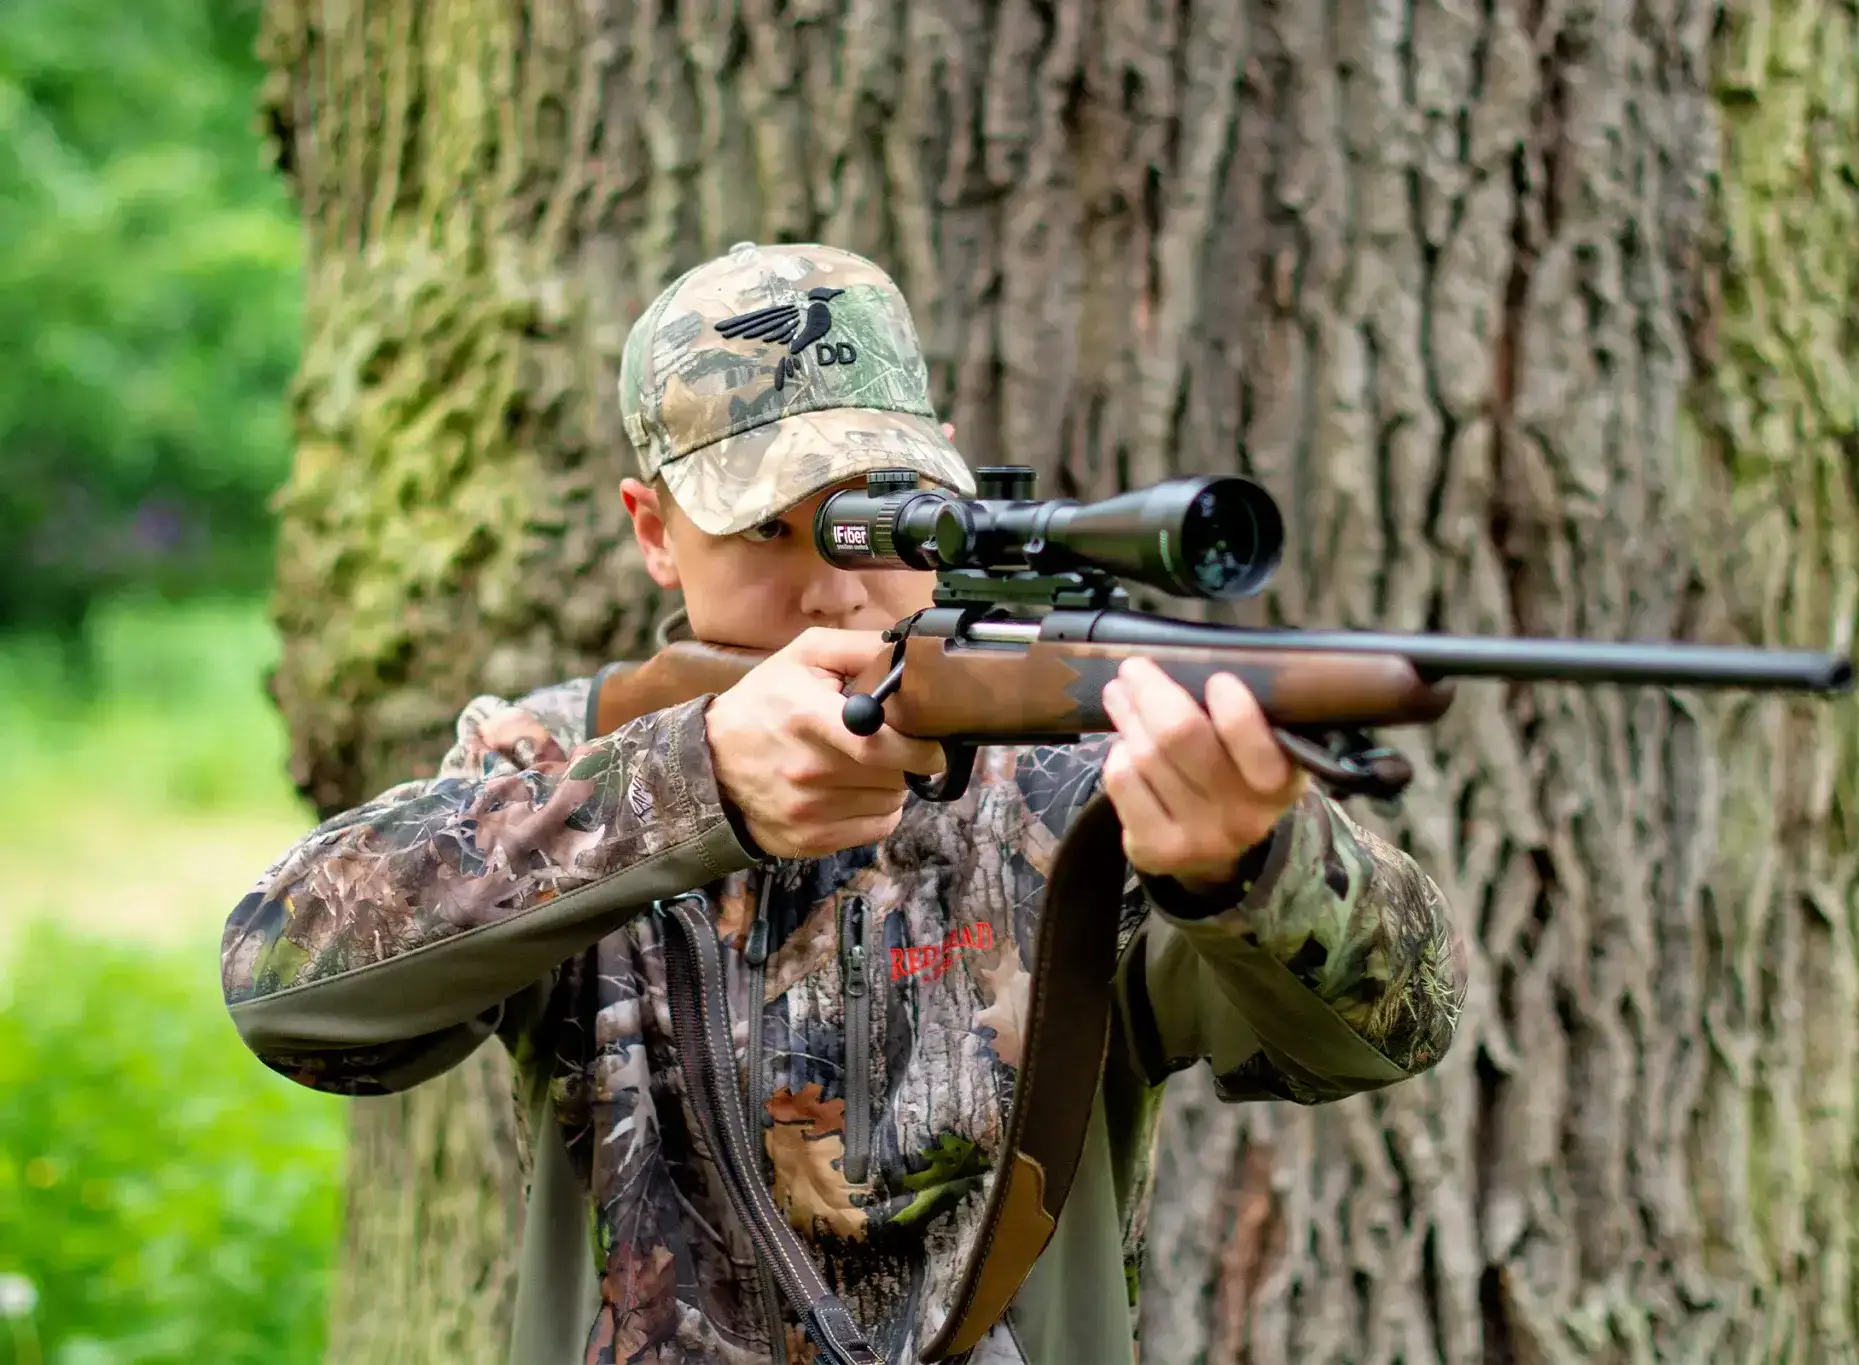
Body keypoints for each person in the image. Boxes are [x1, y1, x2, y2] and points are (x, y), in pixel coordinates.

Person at [220, 242, 1468, 1365]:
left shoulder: (1072, 783)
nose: (832, 589)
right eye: (766, 527)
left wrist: (1246, 867)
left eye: (878, 521)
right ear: (654, 532)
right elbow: (285, 988)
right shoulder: (566, 761)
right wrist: (686, 789)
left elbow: (1383, 1030)